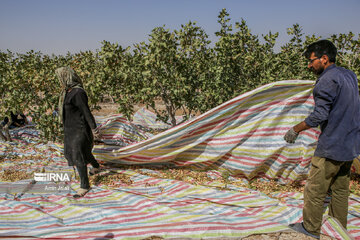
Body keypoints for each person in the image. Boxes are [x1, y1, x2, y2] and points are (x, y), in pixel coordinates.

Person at [284, 39, 360, 239]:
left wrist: (296, 129)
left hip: (332, 145)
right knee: (340, 189)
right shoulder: (349, 75)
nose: (309, 66)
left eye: (311, 61)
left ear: (324, 59)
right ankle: (338, 227)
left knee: (315, 189)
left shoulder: (326, 81)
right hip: (350, 144)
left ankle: (310, 228)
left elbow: (319, 116)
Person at [56, 66, 102, 198]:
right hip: (70, 129)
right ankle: (96, 166)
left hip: (79, 129)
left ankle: (84, 185)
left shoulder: (78, 93)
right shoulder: (67, 92)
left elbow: (86, 112)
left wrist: (94, 129)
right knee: (85, 152)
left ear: (67, 77)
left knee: (78, 156)